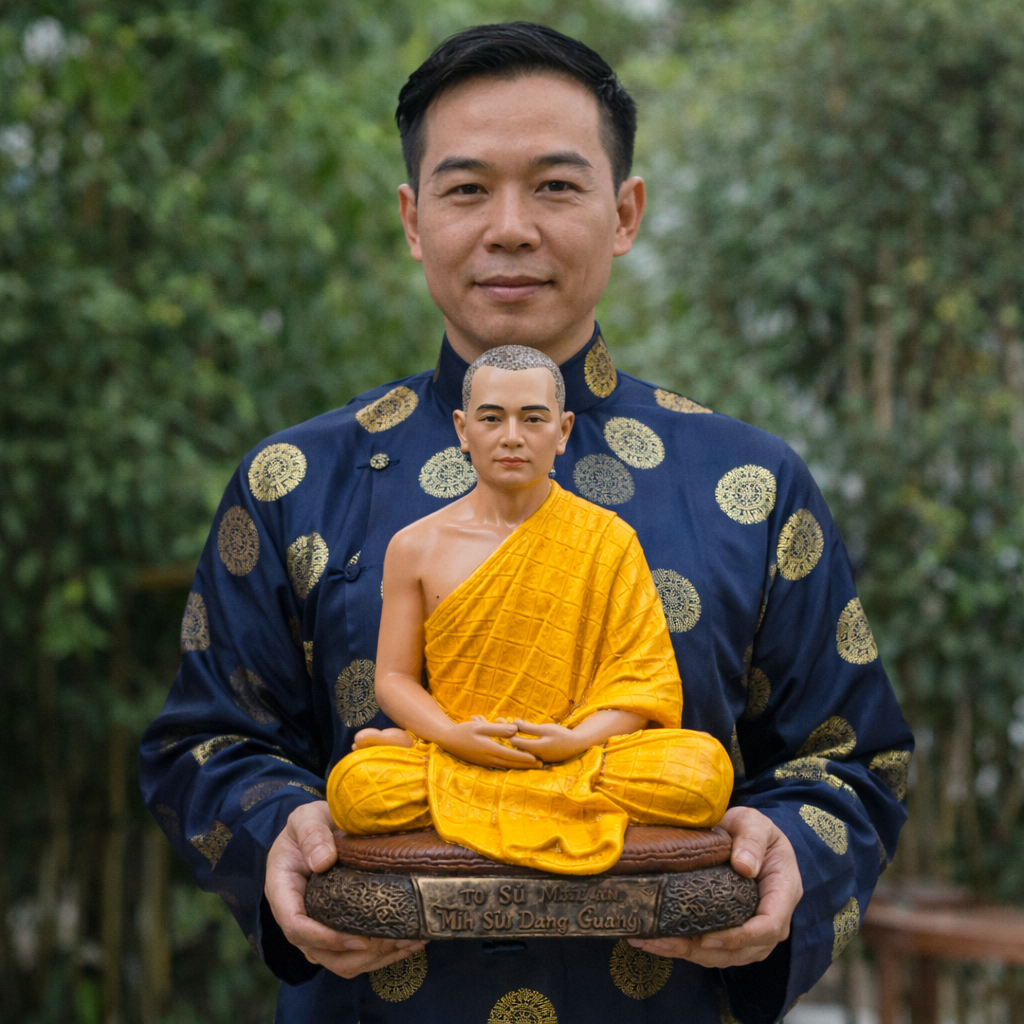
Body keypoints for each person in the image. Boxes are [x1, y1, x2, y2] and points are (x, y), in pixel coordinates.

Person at [139, 21, 913, 1024]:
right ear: (414, 220)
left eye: (554, 185)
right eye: (467, 189)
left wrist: (789, 853)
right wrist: (283, 829)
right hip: (384, 999)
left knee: (684, 768)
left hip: (662, 992)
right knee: (367, 785)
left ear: (624, 212)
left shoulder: (747, 479)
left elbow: (854, 754)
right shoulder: (295, 477)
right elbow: (204, 742)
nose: (510, 227)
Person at [327, 346, 732, 873]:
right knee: (357, 790)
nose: (512, 436)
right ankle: (434, 758)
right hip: (462, 747)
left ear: (563, 432)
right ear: (462, 428)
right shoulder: (415, 546)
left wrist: (575, 740)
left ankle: (437, 765)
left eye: (533, 419)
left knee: (701, 774)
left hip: (577, 752)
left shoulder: (608, 539)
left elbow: (642, 683)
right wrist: (449, 735)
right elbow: (394, 679)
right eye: (491, 418)